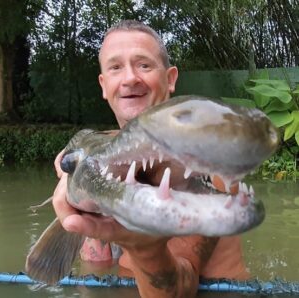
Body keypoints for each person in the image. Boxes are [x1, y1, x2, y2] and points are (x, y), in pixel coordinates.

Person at [53, 20, 249, 298]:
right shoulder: (101, 155)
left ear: (170, 79)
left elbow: (179, 289)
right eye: (115, 67)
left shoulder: (199, 167)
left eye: (144, 65)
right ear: (103, 83)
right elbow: (95, 268)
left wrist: (144, 247)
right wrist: (72, 171)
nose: (130, 78)